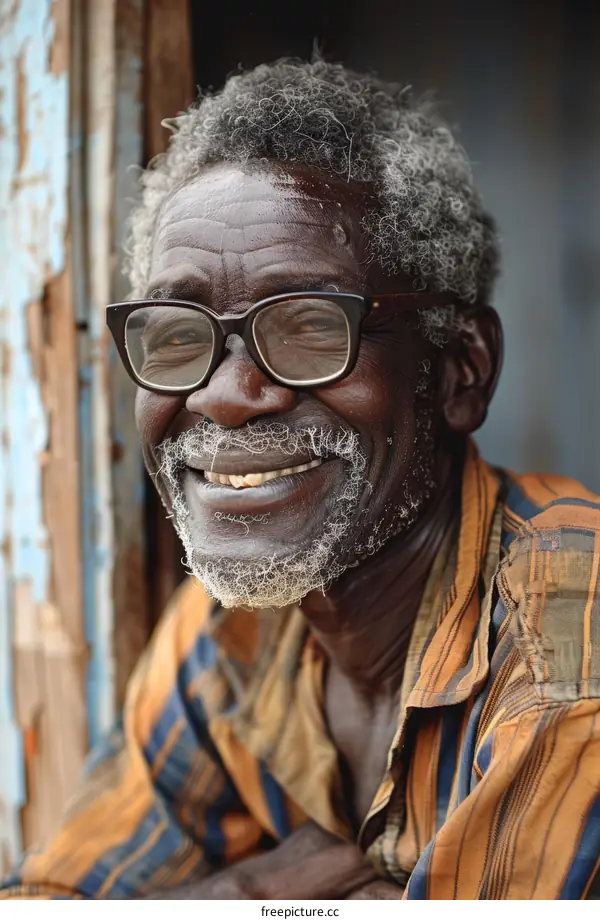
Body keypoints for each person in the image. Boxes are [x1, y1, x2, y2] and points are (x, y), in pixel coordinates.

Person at [2, 57, 600, 901]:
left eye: (311, 327)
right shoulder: (225, 636)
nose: (224, 396)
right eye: (177, 336)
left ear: (460, 370)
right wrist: (247, 897)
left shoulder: (571, 627)